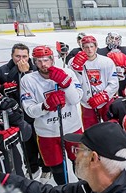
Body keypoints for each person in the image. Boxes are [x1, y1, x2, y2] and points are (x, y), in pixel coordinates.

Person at [20, 45, 83, 185]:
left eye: (46, 60)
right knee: (57, 168)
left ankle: (85, 192)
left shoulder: (68, 73)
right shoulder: (28, 80)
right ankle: (64, 192)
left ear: (52, 60)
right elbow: (29, 110)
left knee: (80, 163)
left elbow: (75, 99)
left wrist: (66, 84)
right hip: (47, 133)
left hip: (72, 128)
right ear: (34, 62)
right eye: (39, 61)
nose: (43, 64)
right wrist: (45, 106)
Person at [0, 43, 48, 180]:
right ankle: (33, 167)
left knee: (43, 140)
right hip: (19, 115)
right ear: (12, 56)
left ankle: (47, 166)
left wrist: (27, 73)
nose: (21, 60)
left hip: (38, 112)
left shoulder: (37, 67)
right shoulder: (3, 71)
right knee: (27, 144)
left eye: (24, 56)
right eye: (18, 56)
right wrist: (3, 91)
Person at [68, 35, 119, 128]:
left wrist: (104, 95)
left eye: (92, 46)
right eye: (86, 47)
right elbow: (74, 84)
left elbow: (114, 83)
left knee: (111, 127)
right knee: (90, 130)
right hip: (87, 103)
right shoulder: (73, 62)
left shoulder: (107, 61)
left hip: (106, 101)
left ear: (96, 47)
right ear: (82, 48)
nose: (89, 50)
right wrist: (77, 70)